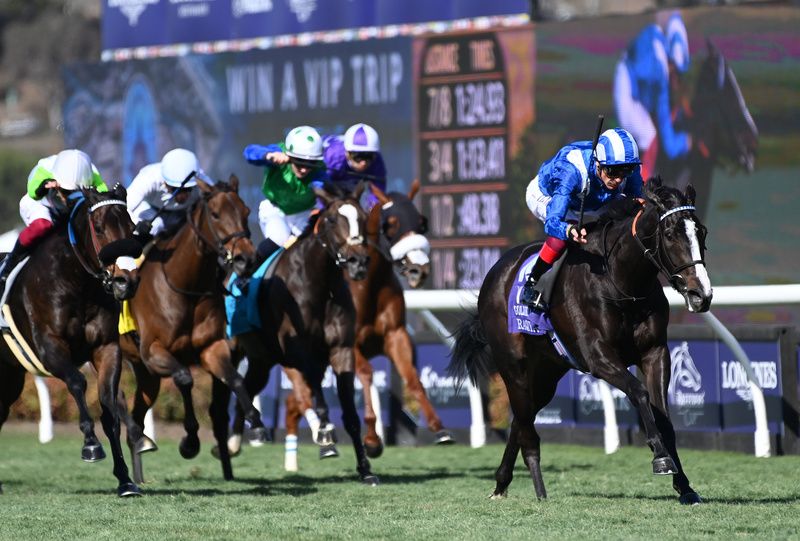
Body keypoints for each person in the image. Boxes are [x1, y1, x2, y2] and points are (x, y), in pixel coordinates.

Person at [520, 127, 644, 311]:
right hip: (548, 196)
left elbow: (636, 202)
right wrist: (568, 231)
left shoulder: (628, 171)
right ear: (598, 163)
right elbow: (553, 222)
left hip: (593, 201)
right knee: (565, 232)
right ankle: (532, 282)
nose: (618, 179)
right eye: (612, 171)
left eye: (625, 171)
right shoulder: (571, 170)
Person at [0, 149, 107, 291]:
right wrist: (44, 186)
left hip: (66, 208)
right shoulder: (46, 166)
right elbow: (33, 191)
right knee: (43, 225)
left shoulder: (92, 173)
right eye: (66, 190)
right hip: (39, 203)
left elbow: (103, 198)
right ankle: (9, 265)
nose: (67, 194)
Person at [613, 12, 692, 180]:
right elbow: (670, 145)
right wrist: (686, 142)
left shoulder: (653, 33)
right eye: (676, 75)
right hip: (628, 95)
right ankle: (640, 190)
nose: (676, 82)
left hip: (627, 83)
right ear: (671, 63)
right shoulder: (662, 74)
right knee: (650, 137)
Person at [244, 125, 328, 260]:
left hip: (304, 215)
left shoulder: (319, 171)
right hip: (275, 210)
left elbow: (323, 192)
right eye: (299, 163)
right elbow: (249, 152)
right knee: (279, 238)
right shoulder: (278, 152)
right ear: (289, 155)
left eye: (310, 164)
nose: (304, 170)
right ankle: (246, 276)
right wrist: (268, 155)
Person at [126, 148, 209, 240]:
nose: (183, 196)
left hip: (181, 214)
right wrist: (136, 225)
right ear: (165, 182)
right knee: (156, 224)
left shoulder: (200, 179)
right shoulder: (149, 177)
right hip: (148, 209)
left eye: (187, 189)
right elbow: (125, 206)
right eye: (176, 189)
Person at [323, 122, 386, 209]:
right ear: (347, 153)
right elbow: (320, 186)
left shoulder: (376, 160)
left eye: (369, 156)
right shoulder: (333, 156)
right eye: (358, 157)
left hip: (352, 184)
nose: (363, 163)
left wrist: (373, 208)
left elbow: (378, 192)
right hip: (331, 181)